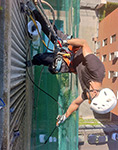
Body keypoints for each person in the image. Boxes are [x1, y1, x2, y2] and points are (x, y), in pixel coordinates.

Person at [26, 1, 117, 126]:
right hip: (73, 48)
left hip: (71, 64)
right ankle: (33, 10)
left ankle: (32, 61)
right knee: (52, 32)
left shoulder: (88, 92)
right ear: (95, 93)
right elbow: (84, 43)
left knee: (51, 63)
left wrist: (65, 116)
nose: (88, 99)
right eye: (90, 99)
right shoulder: (97, 69)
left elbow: (76, 104)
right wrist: (64, 42)